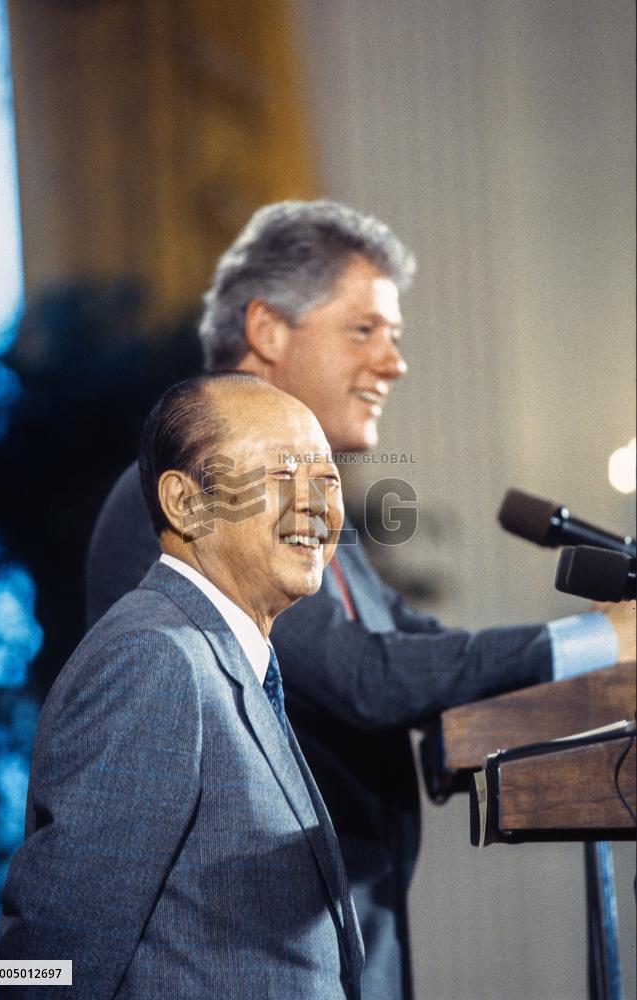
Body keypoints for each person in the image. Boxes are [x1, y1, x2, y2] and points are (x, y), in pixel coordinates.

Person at [85, 201, 634, 1000]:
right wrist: (604, 639)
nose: (394, 361)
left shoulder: (305, 513)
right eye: (364, 329)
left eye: (396, 336)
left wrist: (591, 654)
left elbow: (414, 643)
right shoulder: (190, 502)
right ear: (268, 330)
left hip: (340, 941)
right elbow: (368, 678)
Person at [0, 373, 364, 999]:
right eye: (281, 475)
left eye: (327, 481)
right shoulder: (153, 660)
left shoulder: (222, 661)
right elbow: (49, 962)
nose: (319, 507)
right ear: (186, 503)